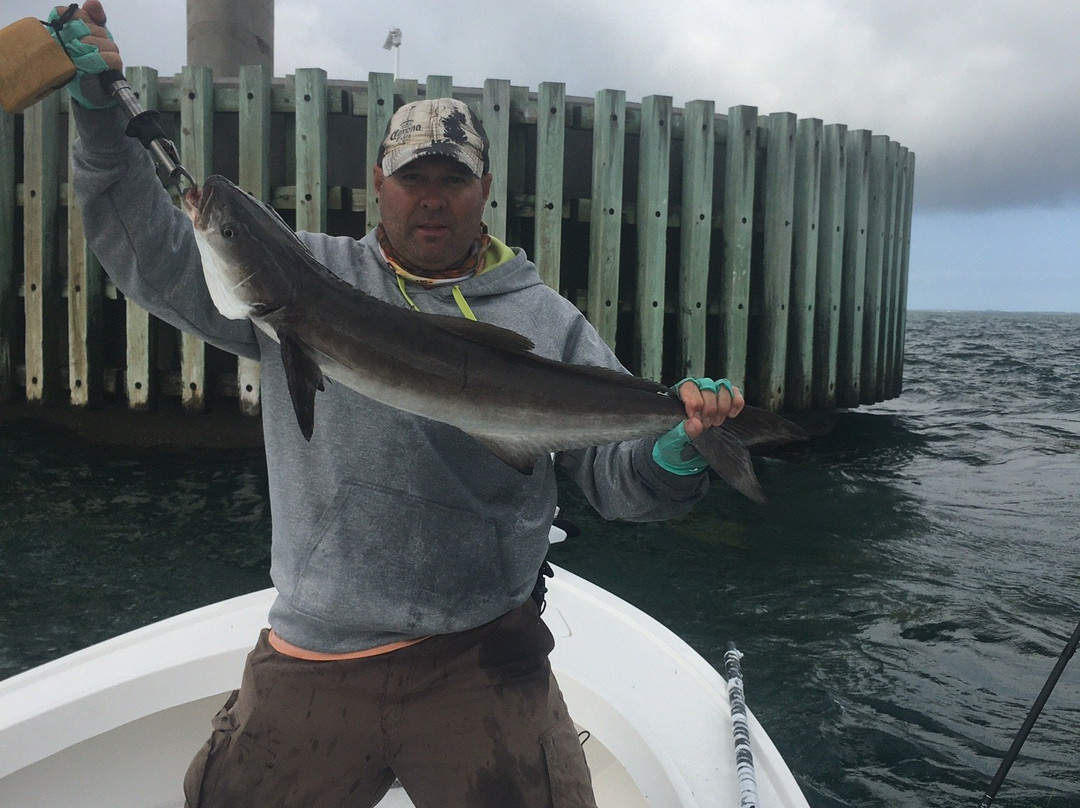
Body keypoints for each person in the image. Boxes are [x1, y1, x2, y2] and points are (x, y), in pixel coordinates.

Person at [53, 3, 746, 806]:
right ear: (378, 183)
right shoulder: (302, 279)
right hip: (319, 647)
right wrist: (101, 122)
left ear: (483, 190)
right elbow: (149, 252)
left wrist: (676, 450)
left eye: (452, 179)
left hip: (486, 654)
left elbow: (614, 482)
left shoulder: (543, 320)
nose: (431, 198)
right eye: (413, 177)